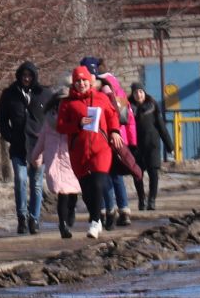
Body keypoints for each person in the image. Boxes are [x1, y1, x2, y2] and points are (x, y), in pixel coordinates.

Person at [57, 64, 119, 240]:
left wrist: (114, 131)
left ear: (89, 81)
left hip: (101, 148)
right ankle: (95, 216)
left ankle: (95, 221)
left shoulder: (101, 98)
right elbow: (60, 126)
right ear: (74, 83)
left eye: (84, 80)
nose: (81, 84)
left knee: (98, 182)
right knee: (87, 191)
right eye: (78, 81)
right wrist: (78, 125)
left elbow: (112, 115)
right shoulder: (67, 103)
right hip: (79, 151)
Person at [0, 61, 46, 234]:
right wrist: (10, 135)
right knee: (21, 180)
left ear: (34, 77)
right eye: (24, 75)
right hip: (18, 145)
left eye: (30, 76)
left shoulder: (43, 94)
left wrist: (46, 139)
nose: (26, 78)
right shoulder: (10, 94)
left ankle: (35, 218)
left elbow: (52, 119)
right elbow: (0, 119)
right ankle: (22, 217)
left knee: (36, 183)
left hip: (38, 146)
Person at [34, 85, 82, 238]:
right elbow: (41, 139)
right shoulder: (49, 120)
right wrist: (36, 156)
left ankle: (71, 211)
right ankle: (63, 225)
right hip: (54, 160)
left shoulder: (75, 118)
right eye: (60, 102)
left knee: (73, 193)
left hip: (72, 159)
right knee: (62, 193)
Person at [98, 72, 139, 228]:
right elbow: (130, 121)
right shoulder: (121, 95)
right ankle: (124, 210)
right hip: (120, 140)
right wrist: (132, 142)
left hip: (106, 139)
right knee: (117, 176)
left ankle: (107, 211)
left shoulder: (100, 95)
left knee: (105, 176)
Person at [128, 83, 174, 210]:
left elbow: (161, 127)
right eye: (136, 92)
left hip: (152, 145)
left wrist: (170, 146)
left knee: (153, 173)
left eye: (141, 92)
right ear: (132, 94)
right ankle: (141, 199)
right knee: (138, 174)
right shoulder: (128, 108)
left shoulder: (152, 106)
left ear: (144, 93)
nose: (138, 95)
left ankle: (152, 200)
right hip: (136, 147)